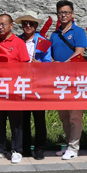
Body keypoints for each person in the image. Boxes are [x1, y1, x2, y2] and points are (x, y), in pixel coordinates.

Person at [0, 14, 30, 164]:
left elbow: (25, 66)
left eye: (3, 24)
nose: (0, 27)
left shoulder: (18, 43)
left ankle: (17, 150)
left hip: (14, 89)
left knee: (16, 122)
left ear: (11, 25)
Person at [50, 0, 87, 161]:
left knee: (75, 115)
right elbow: (50, 55)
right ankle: (68, 144)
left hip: (74, 79)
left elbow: (79, 53)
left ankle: (74, 147)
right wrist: (53, 63)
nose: (63, 15)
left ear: (72, 14)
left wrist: (63, 65)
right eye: (60, 13)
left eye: (66, 12)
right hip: (59, 80)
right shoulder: (54, 34)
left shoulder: (78, 32)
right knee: (64, 115)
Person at [15, 12, 52, 161]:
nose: (28, 26)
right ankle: (25, 148)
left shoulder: (42, 42)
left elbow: (48, 64)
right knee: (23, 118)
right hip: (21, 83)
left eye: (31, 24)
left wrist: (40, 65)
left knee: (39, 118)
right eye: (25, 23)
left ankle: (40, 148)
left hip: (38, 84)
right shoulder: (17, 41)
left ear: (36, 26)